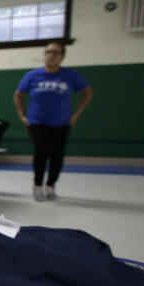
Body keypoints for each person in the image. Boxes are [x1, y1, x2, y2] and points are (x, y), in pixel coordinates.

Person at [13, 40, 93, 201]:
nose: (51, 55)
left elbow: (88, 92)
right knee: (41, 151)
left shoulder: (70, 75)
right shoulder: (32, 76)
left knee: (57, 154)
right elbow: (18, 95)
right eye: (48, 52)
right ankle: (37, 185)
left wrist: (76, 114)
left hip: (62, 122)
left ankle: (51, 185)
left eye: (55, 52)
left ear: (62, 56)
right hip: (37, 121)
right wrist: (22, 115)